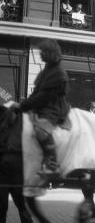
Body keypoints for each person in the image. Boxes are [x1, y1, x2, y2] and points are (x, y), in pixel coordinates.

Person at [16, 40, 70, 177]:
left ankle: (52, 164)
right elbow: (37, 93)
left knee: (41, 129)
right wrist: (22, 105)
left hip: (53, 108)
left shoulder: (58, 73)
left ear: (51, 54)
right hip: (43, 106)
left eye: (43, 52)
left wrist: (24, 106)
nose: (40, 55)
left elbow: (45, 97)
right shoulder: (46, 71)